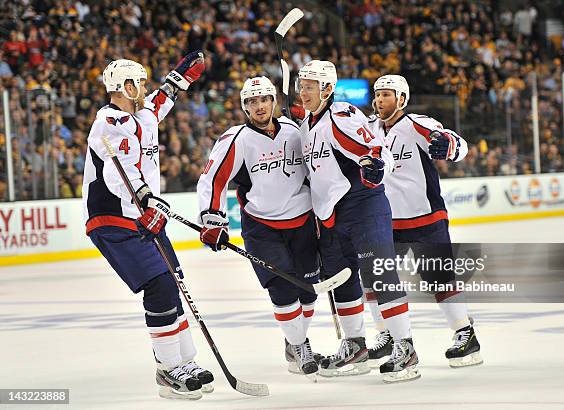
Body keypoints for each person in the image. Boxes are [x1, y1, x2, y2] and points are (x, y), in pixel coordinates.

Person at [82, 52, 214, 399]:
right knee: (159, 287)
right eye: (139, 83)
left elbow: (159, 102)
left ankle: (185, 360)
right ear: (125, 87)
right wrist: (144, 197)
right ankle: (169, 370)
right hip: (115, 219)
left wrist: (180, 79)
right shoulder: (108, 122)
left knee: (174, 283)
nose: (144, 88)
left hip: (142, 215)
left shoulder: (140, 115)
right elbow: (116, 171)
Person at [296, 60, 419, 383]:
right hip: (332, 216)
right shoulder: (306, 125)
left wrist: (378, 164)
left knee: (380, 275)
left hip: (363, 206)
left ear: (327, 89)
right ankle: (355, 346)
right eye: (301, 85)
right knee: (344, 280)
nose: (302, 91)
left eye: (309, 86)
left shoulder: (341, 114)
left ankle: (405, 348)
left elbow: (375, 149)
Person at [196, 77, 321, 380]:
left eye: (264, 99)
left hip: (303, 222)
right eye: (252, 101)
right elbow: (213, 179)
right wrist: (212, 219)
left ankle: (294, 343)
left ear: (273, 101)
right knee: (282, 290)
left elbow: (319, 164)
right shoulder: (235, 139)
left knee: (308, 294)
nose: (259, 106)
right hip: (261, 227)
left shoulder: (294, 130)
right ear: (245, 106)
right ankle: (300, 344)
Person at [367, 74, 483, 368]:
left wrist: (451, 146)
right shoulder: (368, 129)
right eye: (378, 95)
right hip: (386, 221)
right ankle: (389, 335)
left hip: (426, 218)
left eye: (387, 95)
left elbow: (456, 143)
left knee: (440, 279)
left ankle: (465, 334)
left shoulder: (416, 124)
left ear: (402, 99)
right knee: (375, 279)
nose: (380, 100)